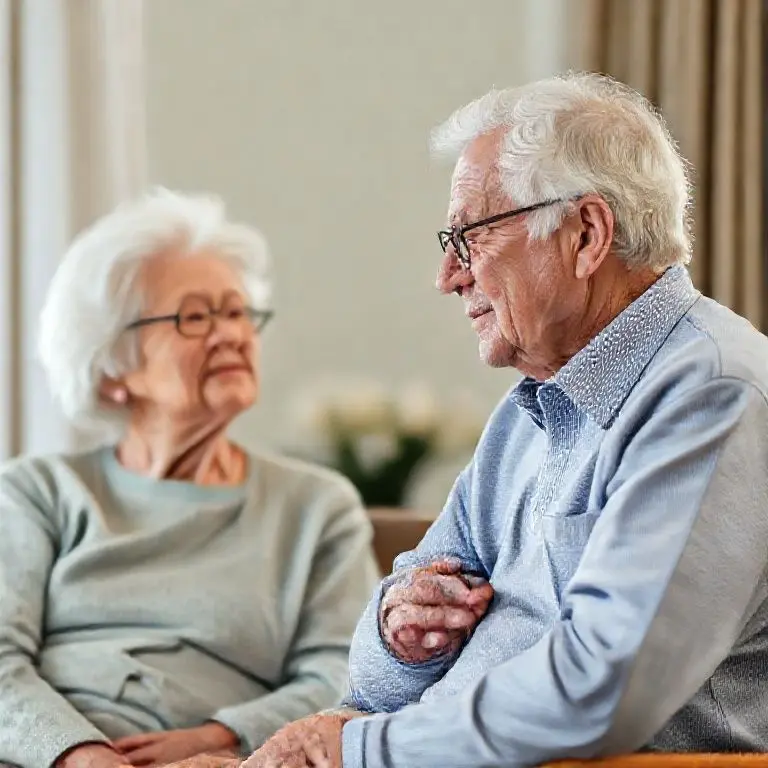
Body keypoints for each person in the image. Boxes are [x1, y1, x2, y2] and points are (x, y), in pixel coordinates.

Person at [227, 72, 768, 768]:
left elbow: (600, 691)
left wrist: (354, 750)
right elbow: (369, 680)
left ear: (586, 234)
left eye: (468, 238)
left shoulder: (715, 397)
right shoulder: (532, 408)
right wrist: (401, 635)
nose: (447, 277)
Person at [0, 189, 379, 768]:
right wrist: (79, 756)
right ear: (113, 367)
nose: (230, 333)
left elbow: (347, 671)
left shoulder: (316, 508)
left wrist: (219, 737)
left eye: (237, 312)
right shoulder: (38, 493)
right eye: (195, 317)